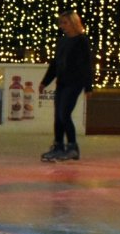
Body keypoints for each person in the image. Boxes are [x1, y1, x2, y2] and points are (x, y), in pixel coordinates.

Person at [39, 9, 94, 162]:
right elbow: (55, 64)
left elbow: (86, 65)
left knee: (64, 114)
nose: (62, 26)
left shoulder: (81, 41)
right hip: (62, 83)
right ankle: (58, 145)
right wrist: (45, 81)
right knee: (58, 116)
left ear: (74, 23)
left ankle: (72, 147)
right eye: (61, 23)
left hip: (75, 83)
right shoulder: (63, 41)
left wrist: (88, 87)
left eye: (65, 22)